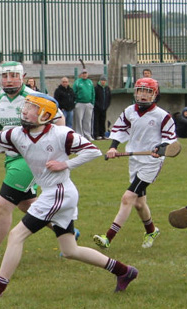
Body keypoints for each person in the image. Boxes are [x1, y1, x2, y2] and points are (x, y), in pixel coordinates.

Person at [0, 92, 138, 296]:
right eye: (25, 106)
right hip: (55, 193)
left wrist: (65, 164)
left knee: (16, 235)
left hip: (59, 194)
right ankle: (124, 271)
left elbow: (93, 150)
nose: (25, 111)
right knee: (70, 250)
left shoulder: (61, 134)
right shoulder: (16, 134)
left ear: (45, 115)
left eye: (31, 108)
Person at [0, 61, 72, 264]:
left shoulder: (34, 98)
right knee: (26, 205)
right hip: (11, 158)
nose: (9, 80)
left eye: (13, 75)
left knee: (3, 204)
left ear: (22, 76)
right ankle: (65, 228)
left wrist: (55, 146)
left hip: (30, 159)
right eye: (5, 76)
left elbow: (59, 120)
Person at [93, 78, 177, 249]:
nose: (143, 95)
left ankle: (108, 237)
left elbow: (170, 140)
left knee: (128, 197)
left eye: (148, 92)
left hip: (151, 163)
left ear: (155, 94)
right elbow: (118, 130)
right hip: (135, 160)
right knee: (139, 203)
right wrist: (113, 148)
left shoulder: (162, 116)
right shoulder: (129, 111)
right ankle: (151, 230)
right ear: (135, 92)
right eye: (140, 91)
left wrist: (161, 148)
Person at [73, 68, 95, 141]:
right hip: (80, 103)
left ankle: (87, 134)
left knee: (87, 120)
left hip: (88, 103)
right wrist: (76, 101)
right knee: (79, 119)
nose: (84, 74)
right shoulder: (77, 82)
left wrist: (92, 102)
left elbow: (93, 93)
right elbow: (74, 92)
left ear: (87, 74)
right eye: (83, 73)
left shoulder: (90, 82)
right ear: (81, 74)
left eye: (85, 73)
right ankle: (80, 134)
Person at [93, 75, 111, 140]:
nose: (103, 82)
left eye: (104, 80)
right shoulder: (96, 88)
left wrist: (106, 105)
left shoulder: (107, 88)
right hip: (97, 108)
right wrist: (97, 105)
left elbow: (109, 98)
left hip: (104, 108)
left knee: (103, 121)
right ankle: (96, 135)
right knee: (96, 121)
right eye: (102, 80)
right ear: (100, 81)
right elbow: (94, 98)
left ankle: (102, 134)